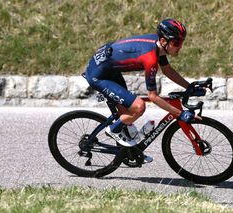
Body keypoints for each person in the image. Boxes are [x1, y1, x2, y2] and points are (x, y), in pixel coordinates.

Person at [85, 19, 200, 151]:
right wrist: (180, 114)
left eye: (181, 42)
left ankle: (131, 151)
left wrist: (189, 87)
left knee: (128, 112)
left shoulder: (158, 46)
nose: (180, 46)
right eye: (176, 43)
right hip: (98, 75)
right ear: (163, 41)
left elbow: (167, 70)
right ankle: (113, 129)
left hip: (108, 68)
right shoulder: (150, 59)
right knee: (139, 107)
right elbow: (153, 97)